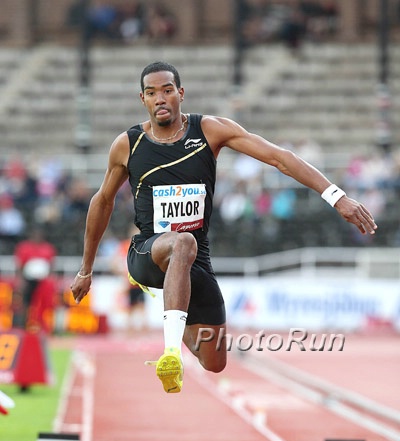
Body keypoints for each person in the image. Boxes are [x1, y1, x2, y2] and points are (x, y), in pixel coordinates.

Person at [70, 61, 377, 394]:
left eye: (167, 90)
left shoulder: (210, 131)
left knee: (215, 361)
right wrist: (86, 269)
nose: (160, 98)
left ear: (181, 94)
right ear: (142, 99)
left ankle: (177, 307)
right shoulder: (128, 145)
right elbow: (102, 202)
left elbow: (279, 157)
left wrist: (336, 196)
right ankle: (170, 354)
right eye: (151, 93)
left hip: (195, 260)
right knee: (182, 242)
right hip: (148, 251)